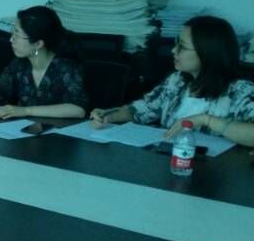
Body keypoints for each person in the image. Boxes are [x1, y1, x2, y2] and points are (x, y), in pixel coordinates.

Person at [91, 16, 254, 146]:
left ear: (207, 53)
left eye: (182, 47)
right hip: (171, 161)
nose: (173, 50)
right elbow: (143, 109)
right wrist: (108, 116)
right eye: (176, 43)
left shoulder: (241, 91)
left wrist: (205, 120)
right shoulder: (176, 81)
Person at [0, 5, 87, 119]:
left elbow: (77, 109)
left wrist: (25, 111)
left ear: (38, 44)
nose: (11, 39)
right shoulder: (20, 64)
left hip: (59, 137)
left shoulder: (67, 67)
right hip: (25, 133)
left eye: (17, 35)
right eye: (13, 32)